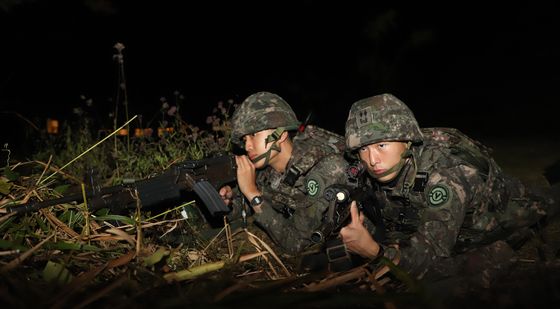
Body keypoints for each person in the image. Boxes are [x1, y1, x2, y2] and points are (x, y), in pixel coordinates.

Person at [339, 93, 558, 289]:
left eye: (381, 145)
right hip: (461, 232)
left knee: (549, 199)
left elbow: (429, 255)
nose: (372, 159)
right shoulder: (376, 172)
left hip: (510, 215)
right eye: (363, 148)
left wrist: (374, 251)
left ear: (407, 141)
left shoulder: (445, 176)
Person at [219, 91, 354, 255]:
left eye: (254, 135)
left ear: (280, 134)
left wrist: (253, 195)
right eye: (245, 139)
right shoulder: (267, 169)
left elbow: (296, 244)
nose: (247, 146)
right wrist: (229, 201)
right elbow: (261, 200)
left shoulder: (326, 169)